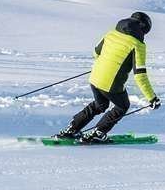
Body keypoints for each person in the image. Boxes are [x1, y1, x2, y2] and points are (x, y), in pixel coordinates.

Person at [58, 11, 159, 142]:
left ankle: (71, 129)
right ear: (144, 28)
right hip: (110, 83)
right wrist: (152, 98)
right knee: (122, 106)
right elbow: (140, 75)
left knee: (100, 105)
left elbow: (96, 52)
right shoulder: (138, 45)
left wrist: (106, 64)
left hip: (95, 77)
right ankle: (98, 133)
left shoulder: (111, 33)